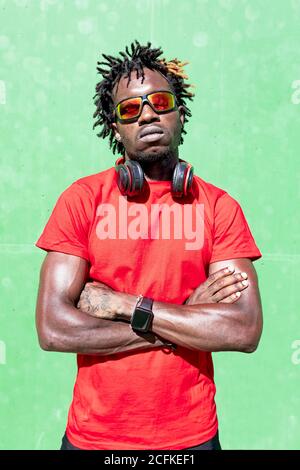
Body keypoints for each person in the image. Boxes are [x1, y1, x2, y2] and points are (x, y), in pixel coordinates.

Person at [35, 40, 263, 451]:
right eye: (129, 108)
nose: (147, 113)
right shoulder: (82, 200)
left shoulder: (219, 207)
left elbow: (243, 329)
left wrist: (126, 306)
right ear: (115, 126)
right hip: (94, 437)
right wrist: (186, 318)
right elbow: (53, 329)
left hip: (191, 436)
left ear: (180, 112)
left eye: (160, 100)